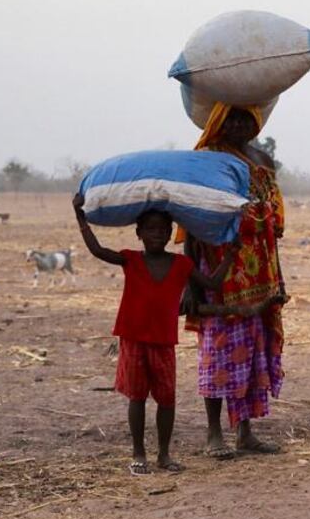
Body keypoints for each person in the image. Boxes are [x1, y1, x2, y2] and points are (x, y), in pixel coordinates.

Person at [73, 194, 235, 474]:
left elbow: (211, 282)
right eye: (150, 229)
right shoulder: (130, 259)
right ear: (139, 233)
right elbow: (98, 250)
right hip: (133, 339)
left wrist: (230, 254)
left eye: (163, 230)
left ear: (170, 233)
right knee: (137, 399)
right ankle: (139, 453)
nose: (157, 234)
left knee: (166, 400)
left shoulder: (181, 265)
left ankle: (163, 454)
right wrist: (80, 217)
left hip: (163, 342)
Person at [182, 104, 287, 459]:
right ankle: (214, 434)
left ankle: (245, 432)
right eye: (233, 117)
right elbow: (192, 218)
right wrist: (188, 281)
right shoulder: (207, 158)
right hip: (217, 271)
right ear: (219, 120)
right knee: (217, 353)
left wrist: (278, 279)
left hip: (259, 272)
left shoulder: (263, 160)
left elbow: (274, 226)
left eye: (247, 117)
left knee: (253, 353)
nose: (240, 124)